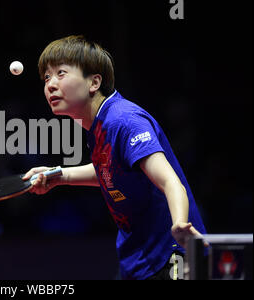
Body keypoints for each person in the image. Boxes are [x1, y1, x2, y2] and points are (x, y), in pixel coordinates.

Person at [22, 35, 207, 280]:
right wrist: (59, 174)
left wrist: (180, 224)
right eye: (47, 77)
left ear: (94, 82)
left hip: (172, 258)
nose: (50, 85)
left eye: (61, 73)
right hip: (138, 259)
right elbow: (112, 169)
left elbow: (170, 181)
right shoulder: (99, 125)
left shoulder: (124, 121)